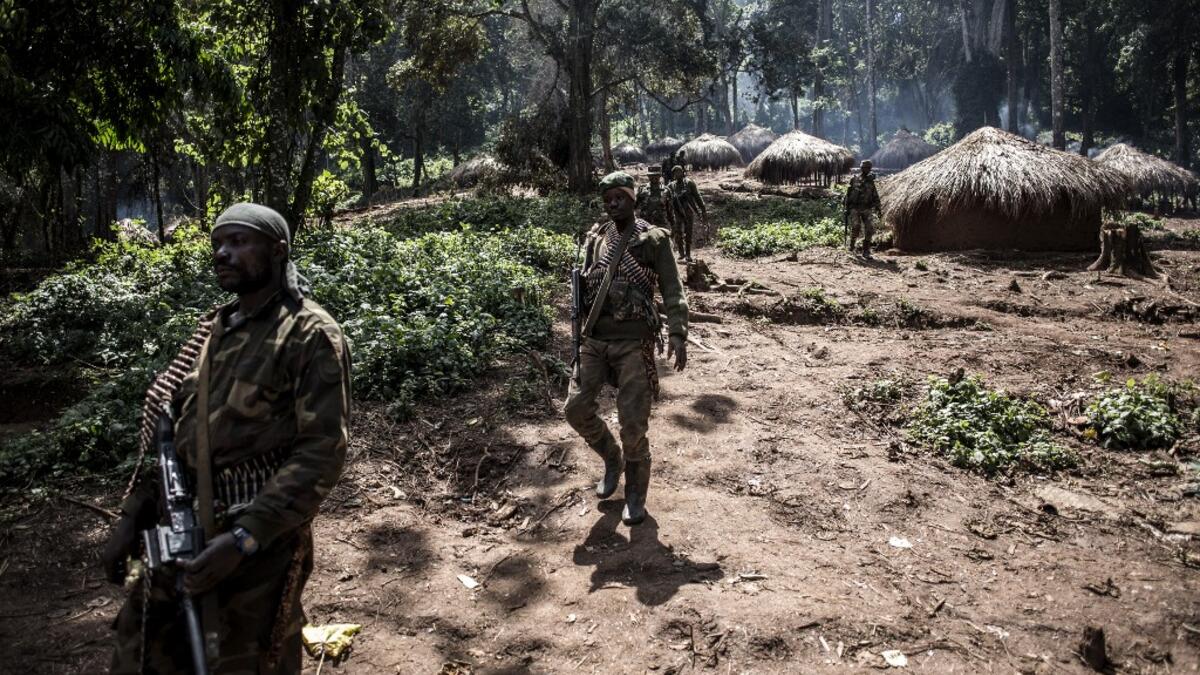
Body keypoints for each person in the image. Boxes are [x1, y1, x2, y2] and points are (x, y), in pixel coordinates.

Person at [102, 202, 352, 674]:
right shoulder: (214, 329)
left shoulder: (309, 333)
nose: (222, 253)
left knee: (243, 660)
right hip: (176, 533)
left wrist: (244, 538)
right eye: (218, 243)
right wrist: (131, 517)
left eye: (239, 242)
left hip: (255, 548)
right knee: (143, 654)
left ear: (278, 251)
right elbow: (170, 436)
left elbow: (322, 451)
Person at [565, 171, 688, 526]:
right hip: (594, 339)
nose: (612, 204)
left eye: (618, 197)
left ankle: (635, 492)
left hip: (634, 342)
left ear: (633, 199)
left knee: (633, 423)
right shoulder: (597, 237)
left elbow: (672, 287)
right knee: (575, 408)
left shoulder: (652, 239)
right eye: (607, 200)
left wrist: (678, 332)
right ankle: (611, 457)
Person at [665, 165, 705, 262]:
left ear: (683, 172)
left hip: (688, 212)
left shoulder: (689, 183)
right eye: (675, 172)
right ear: (673, 174)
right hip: (677, 213)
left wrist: (702, 208)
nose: (678, 174)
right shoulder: (671, 186)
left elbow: (697, 196)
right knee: (678, 232)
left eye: (679, 172)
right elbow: (666, 199)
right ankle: (681, 253)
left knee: (688, 233)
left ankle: (688, 254)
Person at [844, 159, 882, 258]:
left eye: (868, 168)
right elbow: (848, 195)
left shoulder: (871, 181)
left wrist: (878, 208)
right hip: (855, 208)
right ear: (861, 168)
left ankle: (866, 250)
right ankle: (852, 246)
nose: (867, 170)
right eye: (865, 168)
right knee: (856, 227)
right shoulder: (854, 179)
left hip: (867, 208)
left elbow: (875, 195)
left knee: (869, 228)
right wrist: (846, 207)